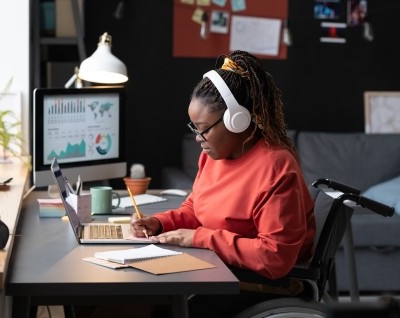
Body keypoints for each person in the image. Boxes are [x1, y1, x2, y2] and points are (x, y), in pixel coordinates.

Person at [131, 50, 316, 318]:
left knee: (152, 307)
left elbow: (275, 258)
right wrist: (160, 222)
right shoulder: (213, 156)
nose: (197, 137)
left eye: (203, 128)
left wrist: (201, 238)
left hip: (262, 282)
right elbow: (196, 211)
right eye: (193, 128)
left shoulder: (276, 167)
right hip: (220, 269)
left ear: (237, 120)